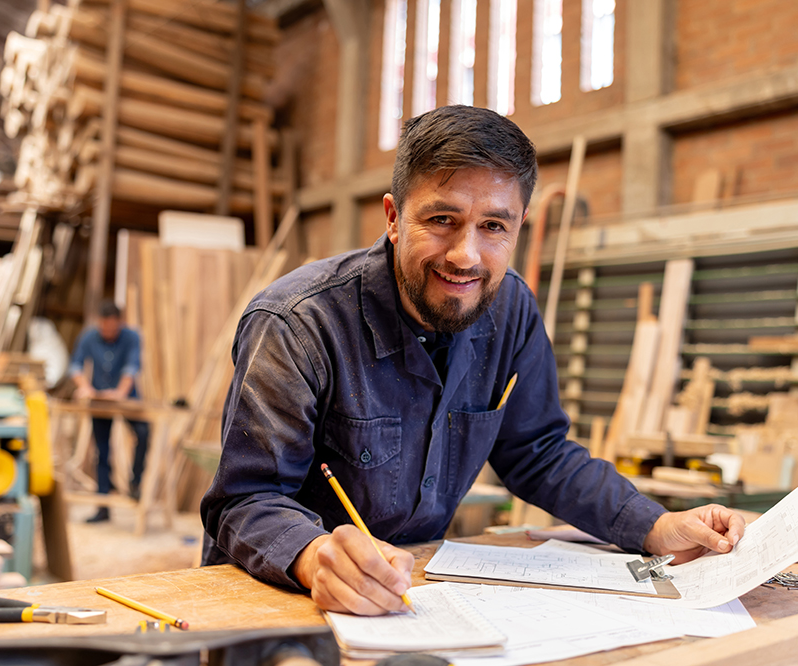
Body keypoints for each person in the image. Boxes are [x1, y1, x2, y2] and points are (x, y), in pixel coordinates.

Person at [201, 105, 745, 614]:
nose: (466, 255)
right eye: (442, 219)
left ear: (519, 225)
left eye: (493, 226)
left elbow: (538, 453)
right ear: (394, 218)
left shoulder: (511, 311)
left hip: (413, 598)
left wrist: (655, 524)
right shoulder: (298, 324)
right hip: (276, 600)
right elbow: (245, 499)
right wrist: (315, 556)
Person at [68, 300, 150, 523]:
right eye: (105, 328)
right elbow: (75, 365)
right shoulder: (89, 336)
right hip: (99, 400)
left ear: (120, 323)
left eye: (113, 328)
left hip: (127, 398)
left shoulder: (132, 337)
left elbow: (132, 368)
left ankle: (135, 481)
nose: (109, 332)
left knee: (143, 433)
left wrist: (121, 393)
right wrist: (84, 387)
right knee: (101, 451)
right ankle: (102, 506)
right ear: (99, 323)